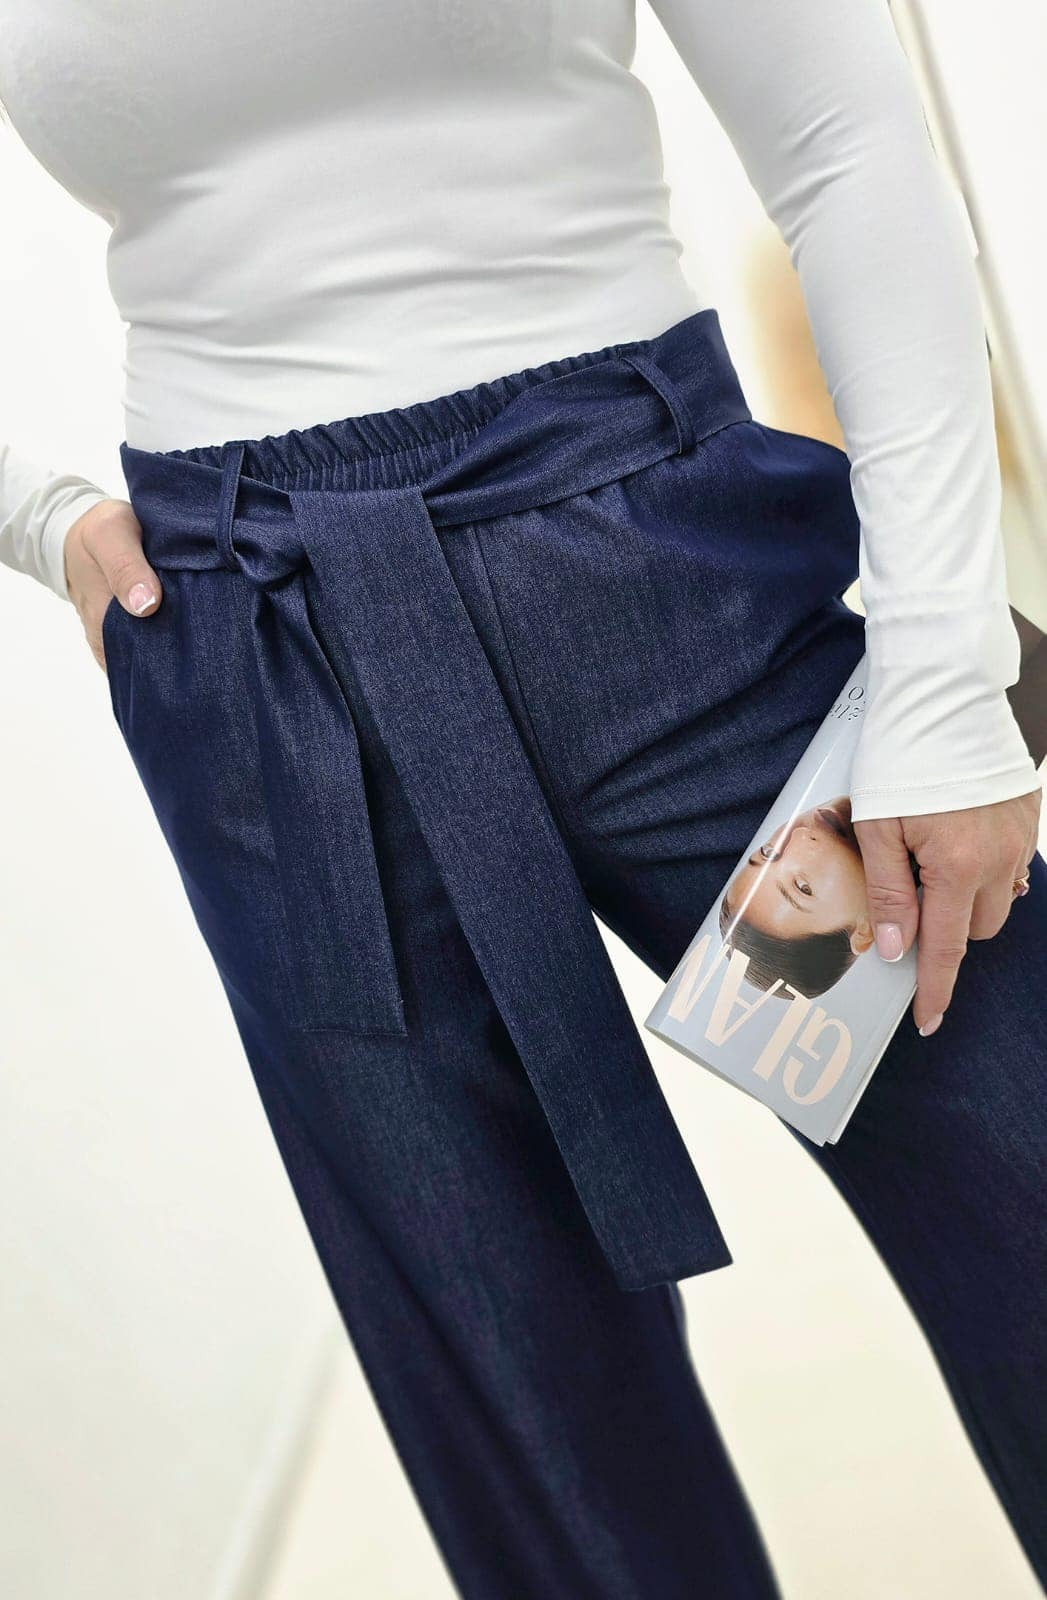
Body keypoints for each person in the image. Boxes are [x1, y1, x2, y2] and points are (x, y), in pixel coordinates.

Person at [2, 2, 1044, 1594]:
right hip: (260, 653)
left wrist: (945, 670)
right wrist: (44, 514)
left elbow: (841, 136)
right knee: (512, 1369)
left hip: (670, 590)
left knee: (1015, 1147)